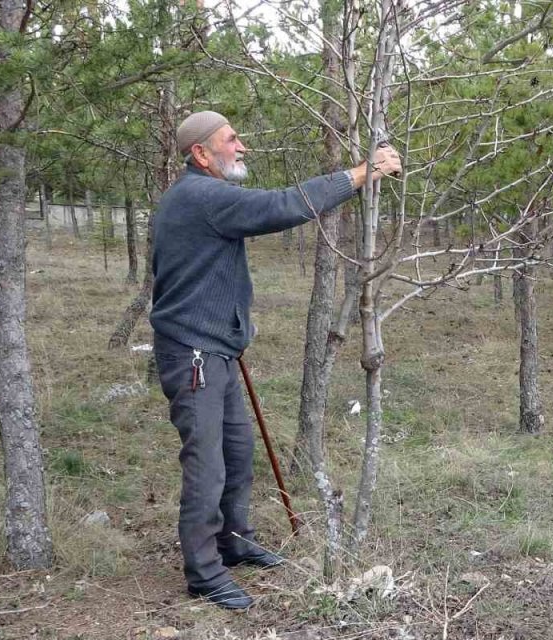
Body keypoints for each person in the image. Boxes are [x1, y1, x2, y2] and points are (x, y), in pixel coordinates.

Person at [151, 111, 402, 609]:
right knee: (207, 466)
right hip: (194, 355)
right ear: (201, 153)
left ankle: (235, 540)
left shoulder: (202, 195)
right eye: (231, 139)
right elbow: (283, 206)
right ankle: (204, 573)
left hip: (216, 350)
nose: (242, 147)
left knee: (237, 451)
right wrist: (362, 173)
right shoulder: (201, 195)